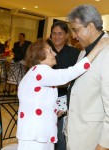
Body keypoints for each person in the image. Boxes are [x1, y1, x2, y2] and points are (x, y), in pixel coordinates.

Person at [16, 38, 108, 150]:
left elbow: (36, 101)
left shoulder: (35, 73)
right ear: (40, 56)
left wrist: (53, 110)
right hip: (36, 135)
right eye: (50, 51)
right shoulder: (41, 71)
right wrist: (97, 48)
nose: (55, 53)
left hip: (36, 133)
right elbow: (70, 73)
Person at [66, 4, 109, 150]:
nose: (73, 36)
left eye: (76, 30)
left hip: (93, 140)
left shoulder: (107, 53)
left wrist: (103, 145)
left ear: (90, 27)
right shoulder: (85, 51)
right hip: (77, 135)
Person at [47, 20, 80, 150]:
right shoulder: (45, 50)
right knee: (46, 132)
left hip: (64, 99)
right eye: (54, 33)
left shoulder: (74, 53)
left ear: (67, 35)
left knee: (61, 135)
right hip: (45, 97)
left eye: (60, 33)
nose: (56, 36)